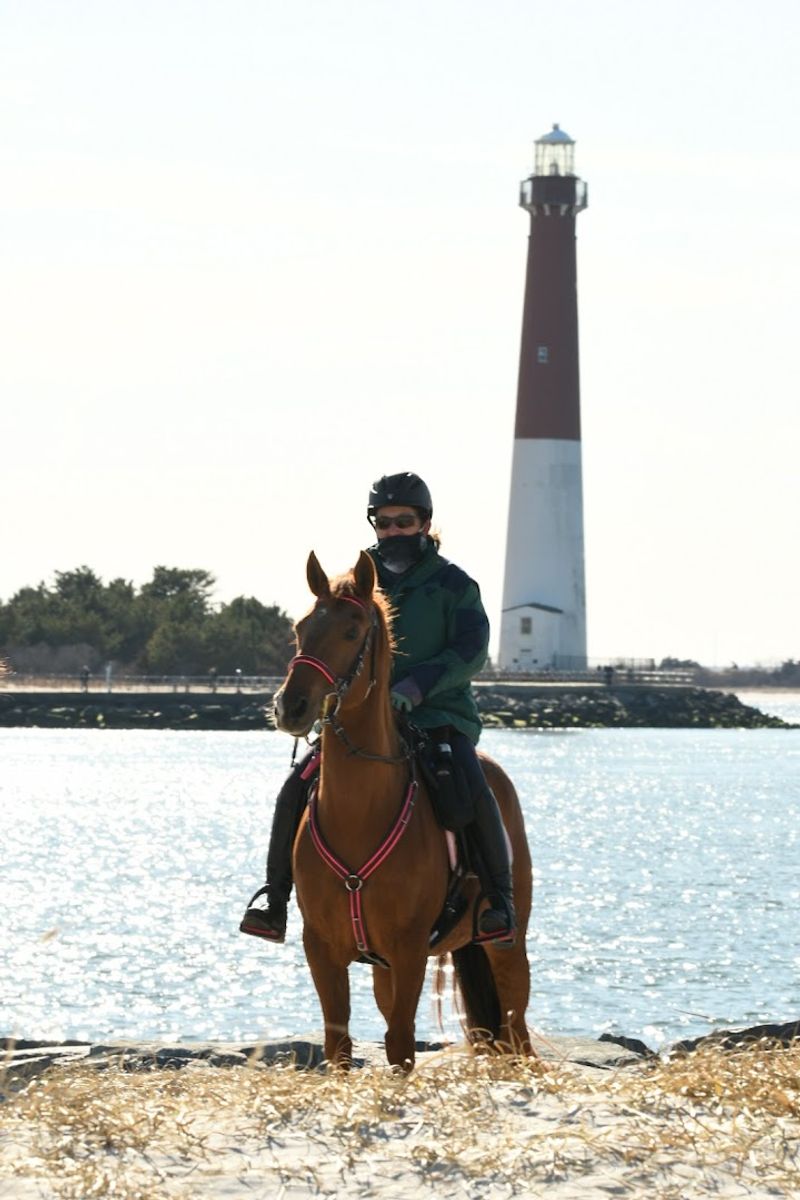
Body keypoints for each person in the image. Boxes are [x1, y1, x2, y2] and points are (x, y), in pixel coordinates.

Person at [239, 472, 516, 946]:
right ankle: (275, 900)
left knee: (469, 786)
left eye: (403, 522)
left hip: (437, 715)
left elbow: (471, 652)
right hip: (358, 721)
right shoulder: (352, 585)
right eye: (384, 523)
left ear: (425, 524)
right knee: (294, 788)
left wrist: (415, 687)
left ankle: (497, 901)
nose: (393, 531)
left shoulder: (455, 585)